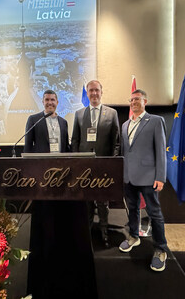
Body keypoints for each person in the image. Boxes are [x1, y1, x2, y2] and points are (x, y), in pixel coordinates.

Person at [25, 90, 97, 299]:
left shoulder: (64, 122)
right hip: (41, 173)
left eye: (53, 100)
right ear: (43, 102)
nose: (50, 103)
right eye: (47, 100)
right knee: (44, 210)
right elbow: (28, 147)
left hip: (60, 173)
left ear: (57, 103)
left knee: (59, 211)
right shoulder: (34, 119)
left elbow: (66, 147)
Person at [119, 89, 168, 272]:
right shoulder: (125, 125)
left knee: (154, 214)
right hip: (129, 177)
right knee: (132, 209)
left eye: (137, 99)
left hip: (149, 177)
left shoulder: (155, 121)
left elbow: (161, 150)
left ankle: (160, 249)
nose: (134, 102)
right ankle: (133, 236)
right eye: (131, 100)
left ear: (145, 101)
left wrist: (160, 177)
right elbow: (125, 152)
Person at [71, 80, 120, 247]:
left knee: (102, 201)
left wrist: (112, 164)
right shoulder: (78, 114)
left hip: (103, 167)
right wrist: (77, 163)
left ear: (101, 91)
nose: (94, 93)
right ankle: (88, 232)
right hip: (84, 168)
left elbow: (116, 142)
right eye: (91, 90)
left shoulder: (112, 113)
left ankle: (104, 232)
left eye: (96, 90)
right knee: (86, 202)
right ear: (87, 92)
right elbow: (75, 140)